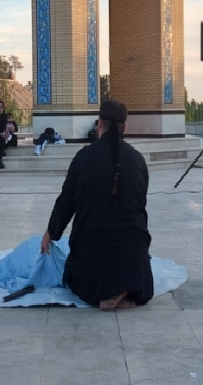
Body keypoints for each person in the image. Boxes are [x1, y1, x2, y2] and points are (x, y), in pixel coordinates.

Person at [40, 99, 153, 310]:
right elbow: (140, 210)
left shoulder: (84, 157)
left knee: (73, 275)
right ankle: (125, 287)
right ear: (124, 128)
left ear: (99, 124)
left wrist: (51, 232)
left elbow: (66, 201)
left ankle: (108, 291)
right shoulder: (138, 160)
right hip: (133, 261)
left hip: (93, 262)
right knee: (133, 253)